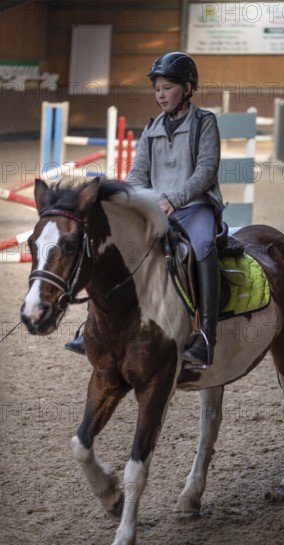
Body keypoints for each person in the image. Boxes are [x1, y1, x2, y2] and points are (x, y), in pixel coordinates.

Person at [65, 51, 224, 368]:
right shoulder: (151, 129)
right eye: (157, 89)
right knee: (115, 247)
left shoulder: (205, 122)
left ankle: (206, 336)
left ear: (188, 88)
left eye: (167, 87)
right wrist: (129, 199)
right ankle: (91, 326)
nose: (161, 94)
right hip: (157, 208)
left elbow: (205, 171)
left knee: (204, 246)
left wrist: (175, 199)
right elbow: (138, 173)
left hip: (194, 206)